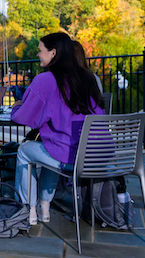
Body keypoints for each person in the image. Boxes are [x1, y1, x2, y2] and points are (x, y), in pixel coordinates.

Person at [11, 32, 105, 225]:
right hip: (96, 156)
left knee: (24, 151)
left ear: (53, 53)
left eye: (40, 50)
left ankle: (28, 209)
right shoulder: (89, 77)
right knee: (52, 146)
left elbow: (26, 117)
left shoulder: (46, 80)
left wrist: (16, 106)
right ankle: (44, 207)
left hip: (71, 158)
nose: (38, 55)